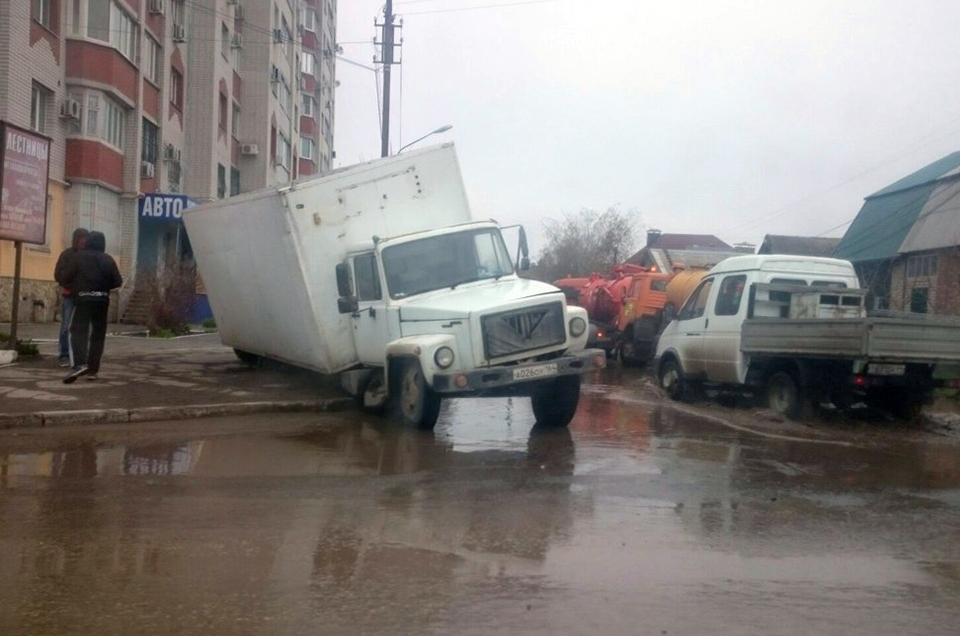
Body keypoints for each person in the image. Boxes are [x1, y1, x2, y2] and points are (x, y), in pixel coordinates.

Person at [58, 231, 123, 384]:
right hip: (101, 301)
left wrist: (75, 287)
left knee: (77, 331)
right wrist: (102, 287)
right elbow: (117, 281)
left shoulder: (78, 257)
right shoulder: (108, 260)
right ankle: (93, 370)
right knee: (98, 336)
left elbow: (64, 276)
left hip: (82, 299)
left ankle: (80, 364)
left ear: (88, 242)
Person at [53, 227, 89, 367]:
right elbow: (58, 274)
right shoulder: (67, 255)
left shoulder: (89, 255)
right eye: (80, 239)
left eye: (85, 239)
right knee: (66, 327)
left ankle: (81, 356)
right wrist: (68, 283)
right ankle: (64, 355)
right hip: (69, 296)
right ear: (75, 240)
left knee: (83, 328)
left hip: (84, 297)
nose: (83, 242)